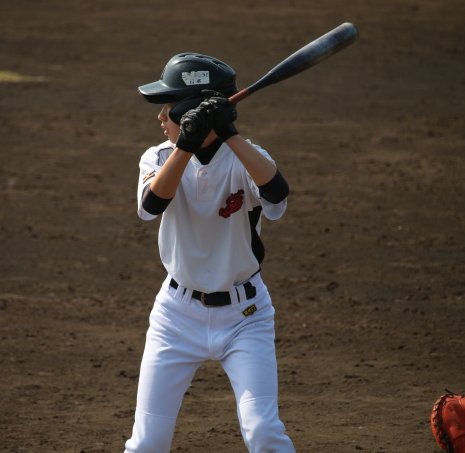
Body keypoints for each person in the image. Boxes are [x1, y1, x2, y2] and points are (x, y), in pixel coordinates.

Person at [124, 53, 296, 453]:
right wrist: (186, 142)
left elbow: (277, 196)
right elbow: (151, 205)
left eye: (168, 106)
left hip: (246, 317)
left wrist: (228, 132)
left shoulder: (247, 158)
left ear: (190, 108)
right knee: (147, 443)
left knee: (264, 432)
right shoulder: (159, 156)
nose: (160, 116)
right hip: (175, 316)